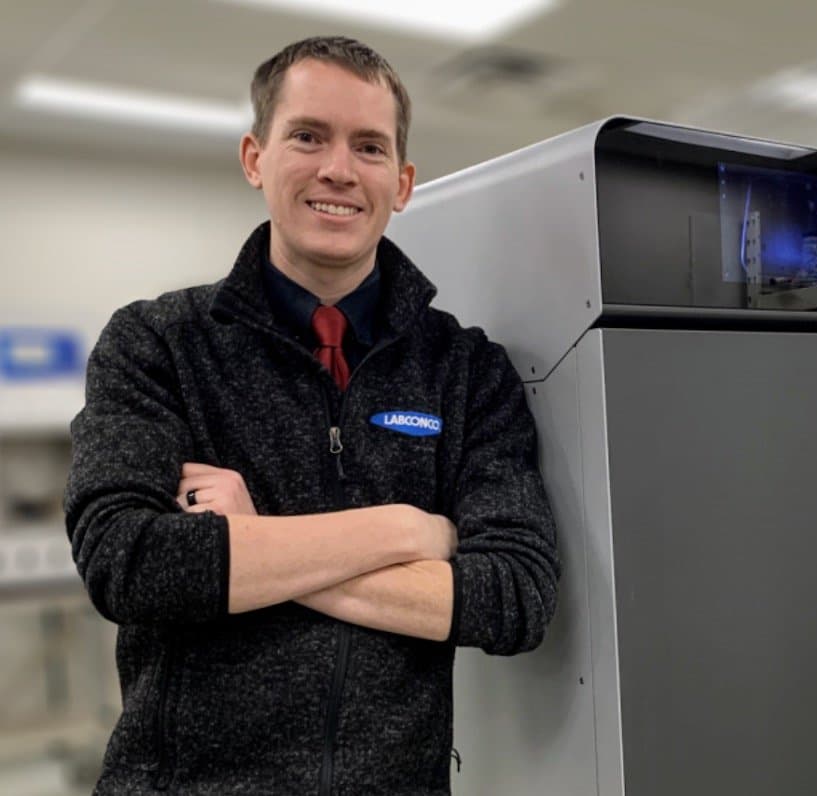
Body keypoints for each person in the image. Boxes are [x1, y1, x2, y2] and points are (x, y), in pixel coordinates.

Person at [64, 36, 559, 795]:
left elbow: (514, 598)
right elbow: (128, 564)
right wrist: (407, 529)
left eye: (368, 146)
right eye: (308, 135)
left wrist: (253, 538)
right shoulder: (158, 342)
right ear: (255, 157)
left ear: (402, 181)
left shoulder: (465, 370)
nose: (338, 169)